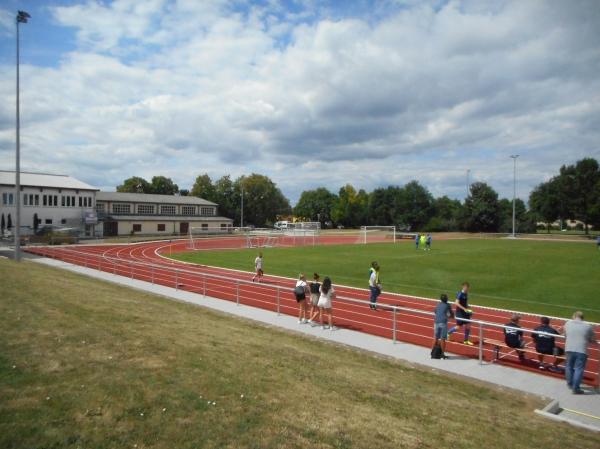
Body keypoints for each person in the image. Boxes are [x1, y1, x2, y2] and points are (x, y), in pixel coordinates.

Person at [564, 311, 597, 394]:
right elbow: (592, 339)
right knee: (579, 369)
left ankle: (570, 384)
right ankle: (575, 388)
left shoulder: (567, 323)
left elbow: (565, 335)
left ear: (574, 316)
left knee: (569, 366)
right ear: (582, 317)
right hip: (581, 350)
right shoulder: (588, 326)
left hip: (569, 348)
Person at [433, 293, 454, 358]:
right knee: (442, 339)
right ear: (446, 299)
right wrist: (449, 316)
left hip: (436, 322)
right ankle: (442, 354)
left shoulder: (438, 304)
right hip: (442, 323)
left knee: (436, 338)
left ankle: (432, 353)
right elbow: (452, 314)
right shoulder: (448, 305)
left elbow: (435, 311)